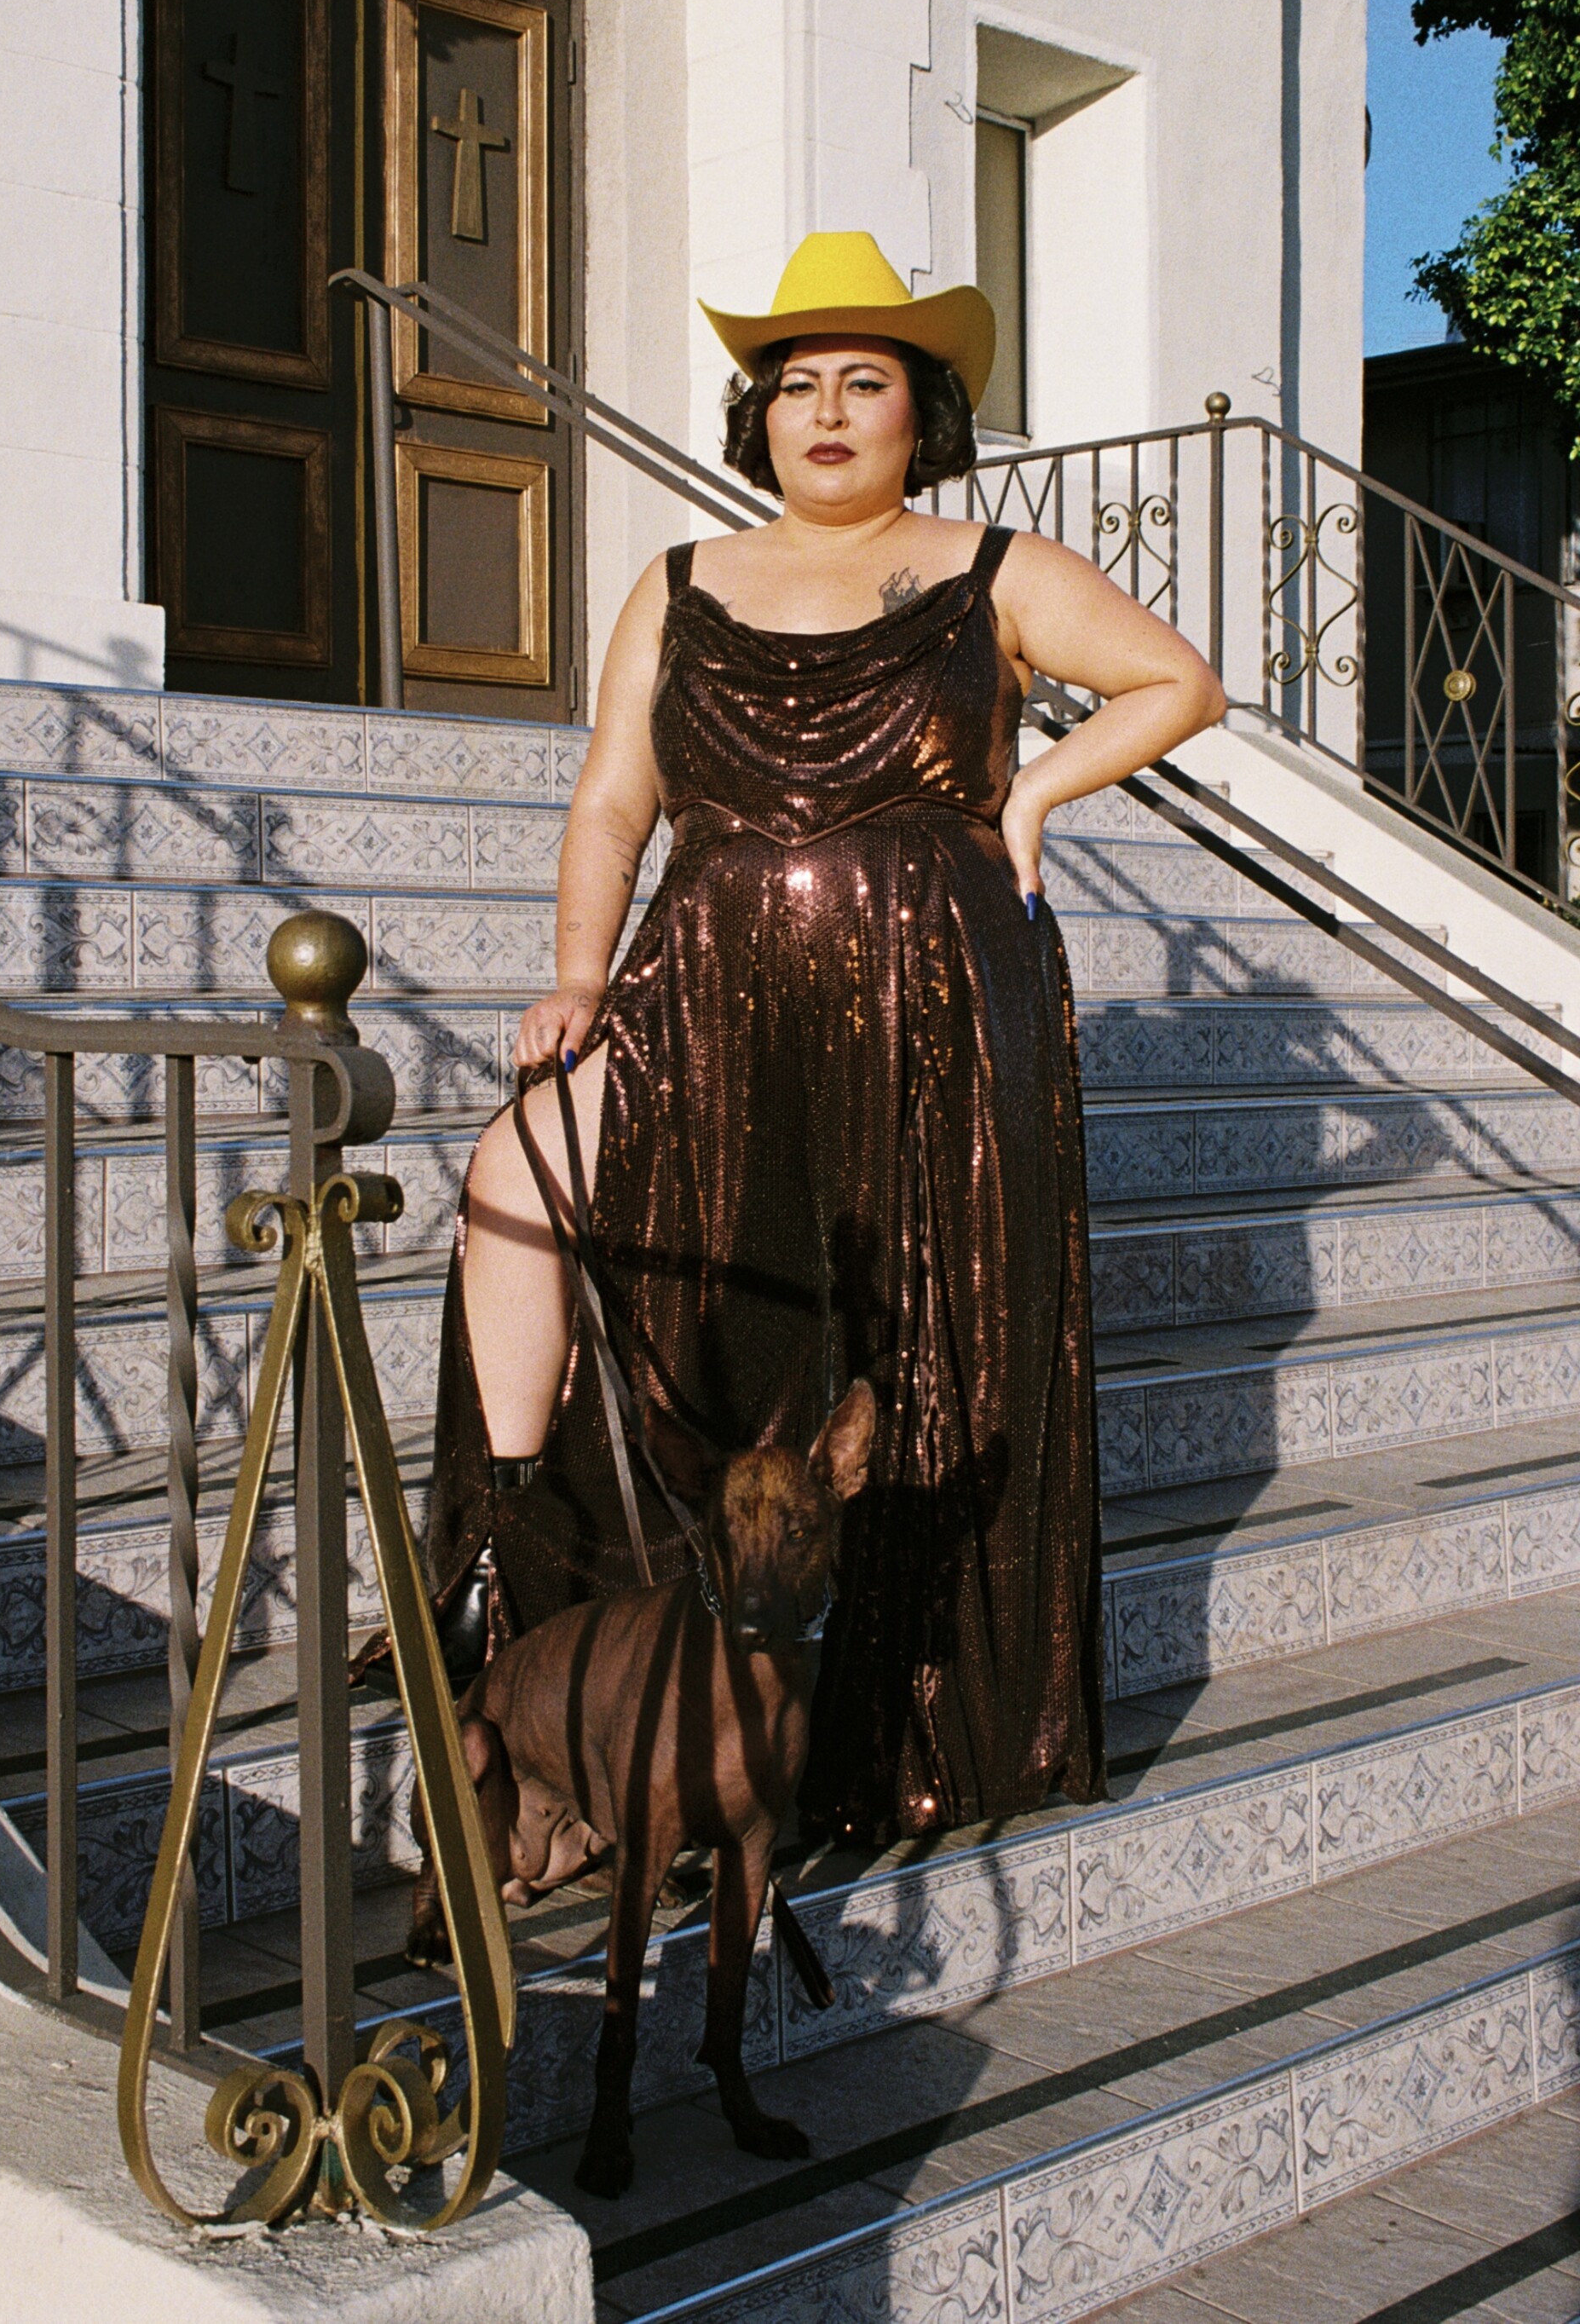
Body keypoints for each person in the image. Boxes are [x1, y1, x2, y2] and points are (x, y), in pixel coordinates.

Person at [423, 230, 1225, 1843]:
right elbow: (610, 803)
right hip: (702, 1000)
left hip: (934, 1011)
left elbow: (1177, 683)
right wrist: (579, 971)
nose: (831, 412)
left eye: (868, 382)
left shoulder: (993, 568)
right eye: (798, 387)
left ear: (923, 413)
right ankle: (516, 1578)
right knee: (519, 1167)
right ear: (760, 420)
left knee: (918, 1349)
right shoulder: (679, 583)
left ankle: (887, 1730)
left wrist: (1037, 791)